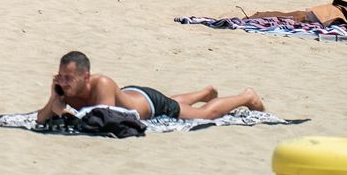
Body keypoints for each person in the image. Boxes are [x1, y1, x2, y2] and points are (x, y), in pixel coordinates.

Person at [35, 50, 264, 122]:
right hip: (134, 95)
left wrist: (63, 112)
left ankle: (246, 96)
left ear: (86, 78)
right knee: (175, 102)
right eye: (61, 76)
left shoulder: (102, 83)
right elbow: (42, 117)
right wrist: (54, 100)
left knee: (204, 115)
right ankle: (205, 92)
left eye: (69, 78)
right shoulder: (65, 87)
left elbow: (104, 120)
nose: (63, 82)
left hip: (152, 104)